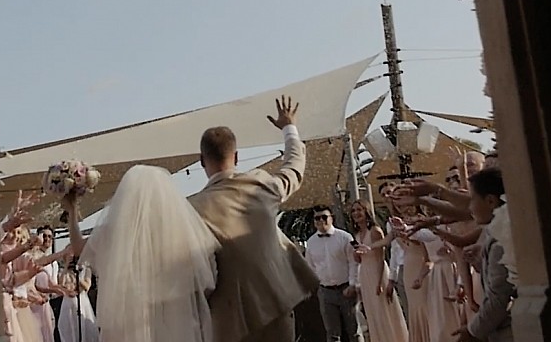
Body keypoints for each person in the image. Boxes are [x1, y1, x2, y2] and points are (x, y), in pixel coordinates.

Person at [186, 96, 321, 342]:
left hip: (228, 320)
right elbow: (294, 168)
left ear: (202, 160)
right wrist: (289, 127)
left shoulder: (191, 209)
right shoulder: (261, 184)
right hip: (277, 304)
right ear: (236, 158)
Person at [63, 165, 219, 342]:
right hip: (168, 322)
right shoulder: (175, 233)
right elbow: (204, 277)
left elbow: (77, 247)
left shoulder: (115, 233)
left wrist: (73, 210)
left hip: (127, 323)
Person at [453, 169, 513, 342]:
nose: (470, 207)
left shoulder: (501, 240)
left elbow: (499, 299)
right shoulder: (495, 233)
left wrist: (472, 332)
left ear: (490, 201)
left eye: (473, 200)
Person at [349, 199, 408, 342]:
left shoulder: (375, 231)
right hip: (365, 274)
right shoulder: (356, 235)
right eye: (353, 211)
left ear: (366, 212)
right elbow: (359, 260)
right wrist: (356, 254)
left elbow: (381, 258)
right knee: (372, 312)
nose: (356, 213)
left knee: (383, 310)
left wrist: (380, 282)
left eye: (359, 210)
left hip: (377, 272)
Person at [306, 205, 363, 341]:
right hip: (326, 292)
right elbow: (311, 267)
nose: (321, 221)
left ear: (331, 218)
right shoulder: (311, 242)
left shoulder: (344, 237)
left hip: (346, 288)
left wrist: (353, 284)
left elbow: (353, 262)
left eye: (324, 217)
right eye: (317, 218)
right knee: (332, 333)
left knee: (354, 330)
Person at [57, 259, 100, 342]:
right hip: (68, 302)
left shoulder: (86, 269)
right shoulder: (65, 271)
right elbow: (61, 285)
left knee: (83, 328)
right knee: (68, 329)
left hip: (81, 301)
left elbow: (87, 286)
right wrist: (66, 268)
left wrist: (78, 277)